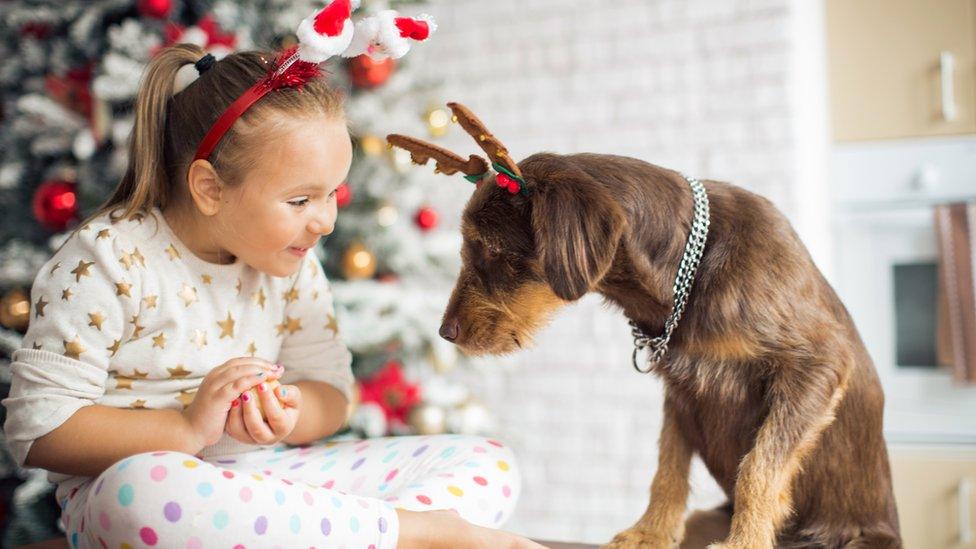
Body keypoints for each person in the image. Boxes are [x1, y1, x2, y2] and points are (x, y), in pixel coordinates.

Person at [2, 8, 544, 547]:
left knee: (486, 462)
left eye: (333, 193)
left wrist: (284, 413)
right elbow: (38, 430)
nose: (326, 220)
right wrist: (188, 429)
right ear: (210, 188)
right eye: (301, 199)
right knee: (143, 492)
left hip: (269, 488)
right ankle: (416, 535)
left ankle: (356, 535)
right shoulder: (109, 260)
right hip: (146, 498)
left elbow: (332, 396)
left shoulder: (292, 263)